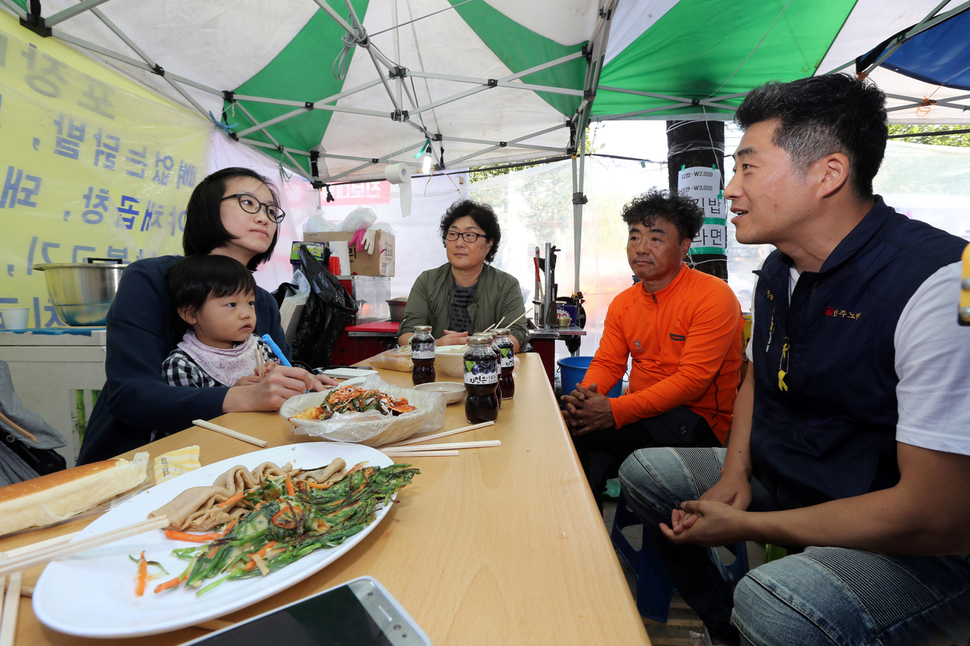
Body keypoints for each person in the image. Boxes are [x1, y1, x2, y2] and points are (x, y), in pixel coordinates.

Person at [618, 74, 970, 646]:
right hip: (797, 475)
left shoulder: (943, 284)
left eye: (747, 168)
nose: (729, 190)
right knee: (646, 475)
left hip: (920, 534)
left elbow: (938, 512)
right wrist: (735, 473)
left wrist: (750, 525)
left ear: (828, 174)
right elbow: (756, 378)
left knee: (780, 605)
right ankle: (723, 624)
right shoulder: (779, 269)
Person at [78, 168, 336, 464]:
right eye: (248, 203)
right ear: (207, 209)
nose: (264, 218)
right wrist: (244, 397)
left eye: (270, 210)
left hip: (228, 456)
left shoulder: (262, 300)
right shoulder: (151, 278)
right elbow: (131, 395)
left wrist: (302, 379)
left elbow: (277, 365)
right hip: (134, 463)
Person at [562, 189, 744, 507]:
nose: (641, 248)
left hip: (698, 421)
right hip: (642, 415)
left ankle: (584, 529)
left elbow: (692, 381)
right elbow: (608, 363)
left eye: (656, 239)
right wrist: (585, 398)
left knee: (588, 439)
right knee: (569, 428)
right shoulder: (624, 303)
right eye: (635, 237)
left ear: (684, 246)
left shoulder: (713, 296)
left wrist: (614, 411)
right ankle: (579, 527)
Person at [397, 200, 527, 352]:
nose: (459, 243)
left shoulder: (506, 284)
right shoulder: (427, 281)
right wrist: (435, 344)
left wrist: (477, 347)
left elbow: (518, 336)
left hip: (487, 370)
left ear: (489, 243)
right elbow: (405, 336)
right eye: (453, 234)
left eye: (469, 235)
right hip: (436, 370)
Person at [162, 255, 279, 388]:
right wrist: (232, 395)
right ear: (190, 314)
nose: (246, 314)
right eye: (232, 304)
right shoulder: (183, 365)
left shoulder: (258, 346)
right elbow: (188, 408)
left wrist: (277, 371)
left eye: (250, 303)